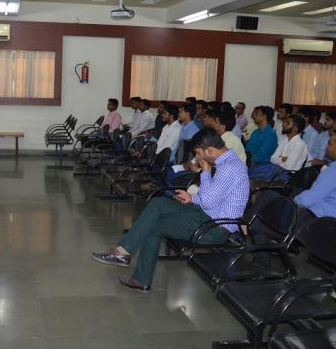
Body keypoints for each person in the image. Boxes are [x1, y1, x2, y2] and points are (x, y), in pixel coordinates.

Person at [91, 128, 249, 292]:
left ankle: (139, 278)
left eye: (198, 153)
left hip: (214, 228)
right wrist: (192, 198)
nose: (197, 158)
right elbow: (215, 199)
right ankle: (122, 252)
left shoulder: (230, 168)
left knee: (154, 226)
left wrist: (206, 173)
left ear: (210, 150)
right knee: (158, 203)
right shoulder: (226, 163)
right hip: (205, 214)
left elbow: (208, 202)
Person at [294, 130, 336, 219]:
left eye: (329, 144)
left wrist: (292, 201)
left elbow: (306, 200)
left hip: (320, 219)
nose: (326, 146)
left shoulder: (335, 171)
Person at [249, 115, 307, 181]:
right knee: (257, 168)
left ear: (295, 129)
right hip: (275, 170)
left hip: (286, 175)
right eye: (285, 122)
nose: (283, 124)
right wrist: (282, 159)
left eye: (287, 123)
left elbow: (289, 166)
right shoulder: (284, 140)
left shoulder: (300, 144)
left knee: (262, 171)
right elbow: (272, 158)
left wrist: (279, 158)